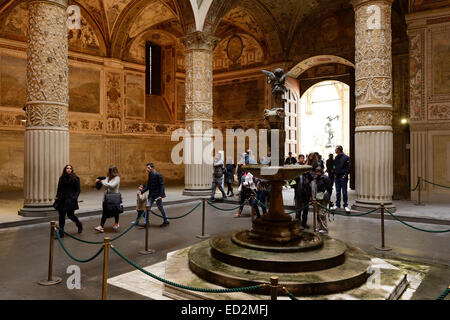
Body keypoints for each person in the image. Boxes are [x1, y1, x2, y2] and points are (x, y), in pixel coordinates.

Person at [54, 164, 82, 238]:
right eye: (67, 168)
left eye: (70, 168)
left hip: (71, 199)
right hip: (62, 199)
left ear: (72, 170)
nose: (69, 169)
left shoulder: (75, 178)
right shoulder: (61, 178)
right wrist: (57, 196)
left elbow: (78, 190)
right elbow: (59, 188)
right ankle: (61, 233)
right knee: (61, 216)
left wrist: (74, 198)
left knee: (71, 215)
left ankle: (79, 224)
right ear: (65, 169)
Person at [141, 163, 170, 227]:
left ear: (152, 168)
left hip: (157, 195)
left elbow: (162, 185)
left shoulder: (158, 175)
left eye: (148, 168)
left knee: (160, 208)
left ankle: (166, 220)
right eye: (147, 167)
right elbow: (149, 185)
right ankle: (146, 222)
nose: (147, 169)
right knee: (148, 207)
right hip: (151, 195)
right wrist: (142, 191)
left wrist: (161, 195)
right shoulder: (150, 174)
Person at [95, 165, 121, 233]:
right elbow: (106, 183)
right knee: (104, 212)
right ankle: (101, 226)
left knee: (116, 211)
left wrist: (102, 182)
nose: (109, 172)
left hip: (114, 197)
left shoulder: (117, 178)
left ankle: (116, 223)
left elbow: (112, 186)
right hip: (106, 197)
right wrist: (99, 181)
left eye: (110, 171)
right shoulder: (108, 178)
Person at [311, 166, 332, 234]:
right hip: (318, 198)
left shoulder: (325, 178)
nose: (317, 172)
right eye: (316, 171)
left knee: (322, 213)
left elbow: (329, 189)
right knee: (318, 213)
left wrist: (328, 198)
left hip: (324, 198)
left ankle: (324, 228)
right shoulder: (316, 178)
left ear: (321, 171)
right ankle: (319, 227)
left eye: (318, 171)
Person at [331, 145, 351, 213]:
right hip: (337, 177)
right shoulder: (336, 157)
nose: (335, 150)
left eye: (336, 149)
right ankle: (337, 204)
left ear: (339, 150)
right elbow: (334, 165)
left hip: (343, 177)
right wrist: (334, 173)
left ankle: (345, 205)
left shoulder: (346, 158)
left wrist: (345, 175)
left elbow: (348, 168)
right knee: (337, 192)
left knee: (344, 192)